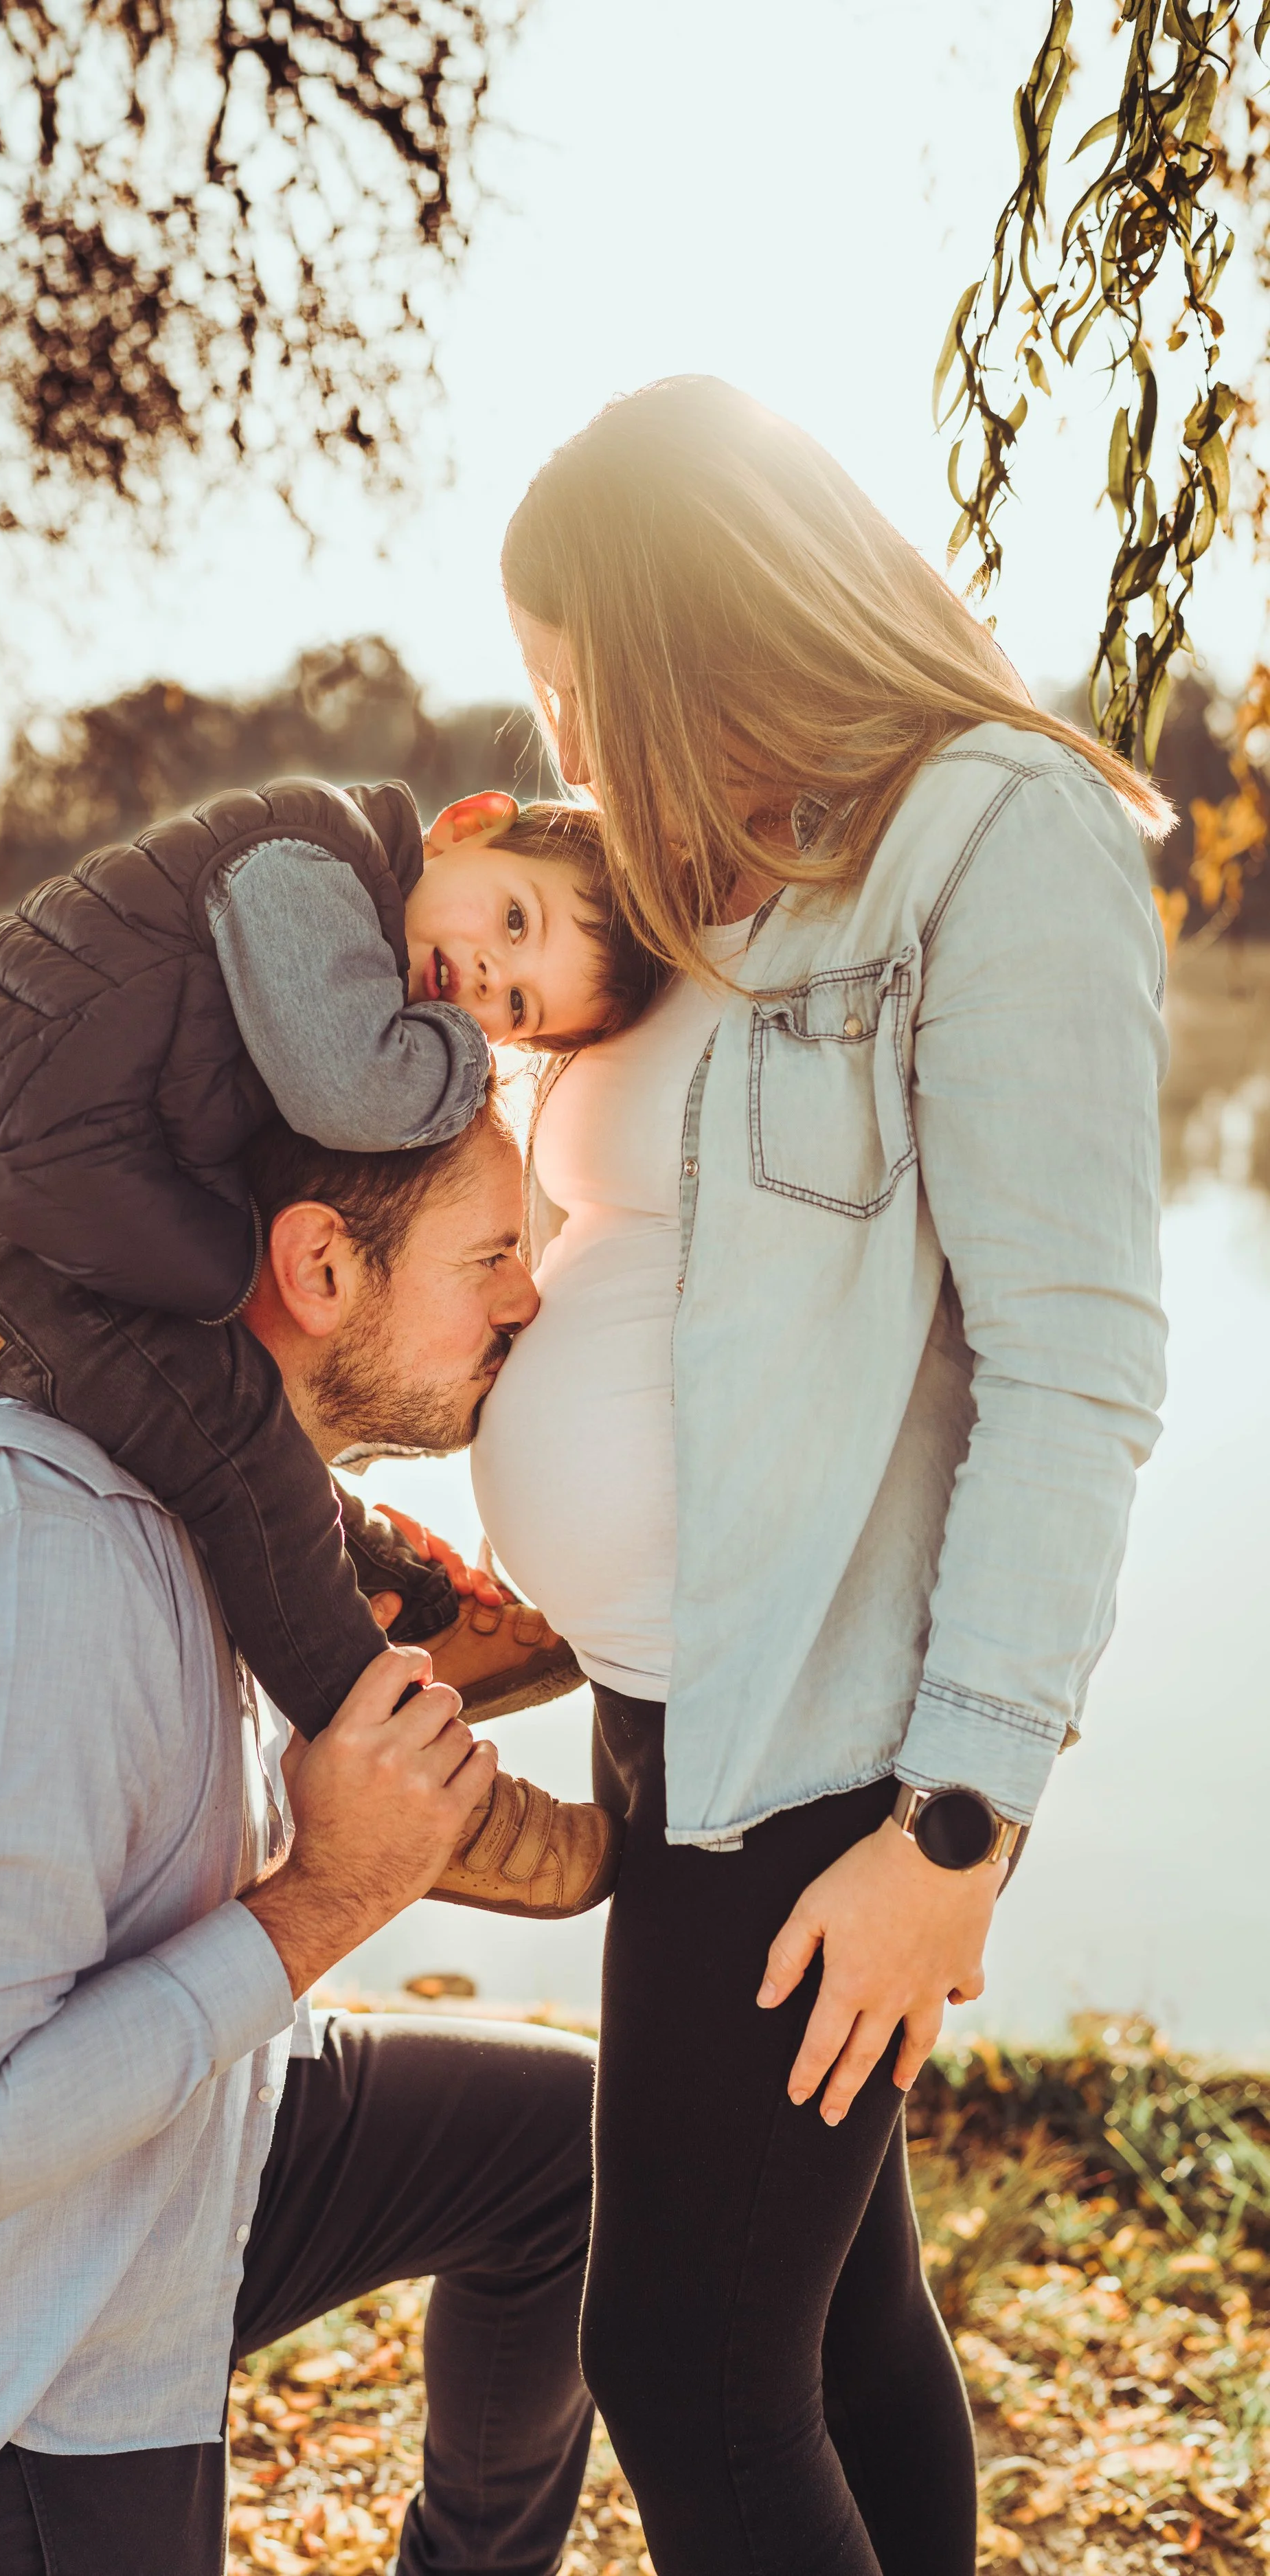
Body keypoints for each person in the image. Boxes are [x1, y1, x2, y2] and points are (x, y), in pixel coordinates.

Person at [467, 375, 1170, 2576]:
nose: (569, 749)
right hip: (677, 1712)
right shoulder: (695, 892)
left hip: (831, 1770)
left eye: (578, 685)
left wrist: (952, 1823)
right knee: (831, 2328)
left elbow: (1071, 1368)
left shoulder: (990, 833)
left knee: (677, 2352)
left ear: (697, 629)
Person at [0, 1097, 600, 2576]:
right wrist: (326, 1898)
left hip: (187, 2158)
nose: (529, 1301)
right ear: (320, 1267)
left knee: (567, 2155)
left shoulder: (225, 1503)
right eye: (494, 1255)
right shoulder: (28, 1581)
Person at [0, 787, 657, 1916]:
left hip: (4, 1187)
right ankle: (414, 1787)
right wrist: (465, 1073)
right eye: (517, 923)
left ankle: (401, 1595)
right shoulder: (303, 863)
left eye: (517, 1008)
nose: (486, 984)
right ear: (470, 821)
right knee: (228, 1421)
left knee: (230, 1434)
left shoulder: (309, 964)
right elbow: (347, 1086)